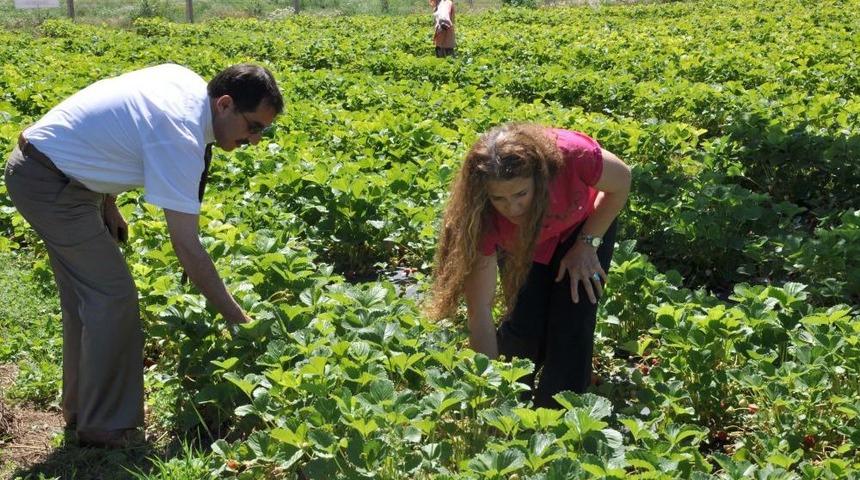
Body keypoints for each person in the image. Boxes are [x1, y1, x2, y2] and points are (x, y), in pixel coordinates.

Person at [4, 63, 283, 447]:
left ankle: (83, 410)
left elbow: (121, 126)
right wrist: (239, 319)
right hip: (49, 183)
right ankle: (103, 426)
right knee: (111, 296)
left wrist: (109, 201)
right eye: (254, 127)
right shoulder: (181, 136)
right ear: (224, 104)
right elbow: (186, 245)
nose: (254, 140)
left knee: (88, 298)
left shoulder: (186, 82)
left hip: (55, 170)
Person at [426, 123, 631, 408]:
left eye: (521, 194)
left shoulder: (573, 157)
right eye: (499, 198)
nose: (512, 207)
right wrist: (487, 393)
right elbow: (480, 311)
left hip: (583, 226)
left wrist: (587, 244)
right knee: (524, 321)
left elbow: (622, 181)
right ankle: (510, 400)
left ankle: (561, 412)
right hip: (523, 242)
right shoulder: (480, 220)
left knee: (573, 314)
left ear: (540, 176)